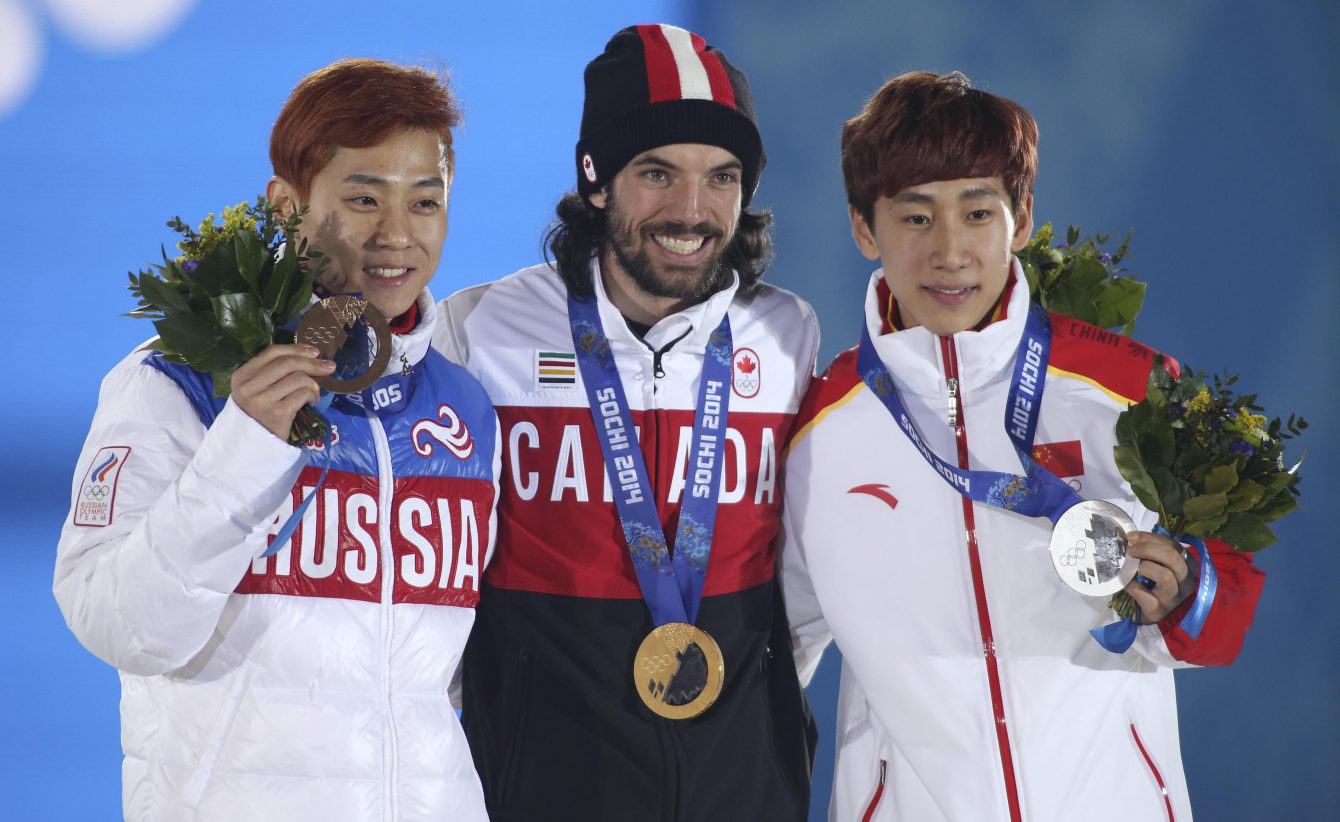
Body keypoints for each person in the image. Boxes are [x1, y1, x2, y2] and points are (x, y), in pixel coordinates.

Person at [779, 71, 1265, 821]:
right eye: (914, 219)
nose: (950, 252)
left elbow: (1223, 608)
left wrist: (1186, 592)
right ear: (863, 228)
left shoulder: (1128, 388)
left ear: (1023, 216)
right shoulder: (817, 432)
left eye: (978, 212)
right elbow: (774, 655)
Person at [54, 59, 499, 821]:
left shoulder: (463, 406)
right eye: (364, 198)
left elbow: (445, 679)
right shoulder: (179, 382)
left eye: (426, 202)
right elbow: (122, 625)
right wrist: (247, 445)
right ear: (286, 207)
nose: (398, 235)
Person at [434, 24, 819, 820]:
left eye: (722, 177)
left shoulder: (789, 336)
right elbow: (438, 577)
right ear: (597, 180)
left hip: (742, 782)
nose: (692, 210)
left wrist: (764, 703)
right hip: (543, 783)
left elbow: (812, 573)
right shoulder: (479, 330)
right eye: (656, 173)